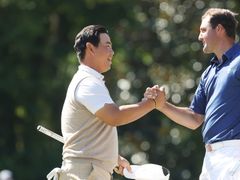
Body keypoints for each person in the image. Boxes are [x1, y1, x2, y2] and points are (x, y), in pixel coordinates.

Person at [145, 8, 240, 180]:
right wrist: (162, 105)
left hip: (235, 153)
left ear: (220, 29)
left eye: (203, 30)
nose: (199, 37)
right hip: (210, 158)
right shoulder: (209, 72)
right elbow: (194, 119)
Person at [47, 25, 164, 180]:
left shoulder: (90, 81)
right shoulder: (87, 82)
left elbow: (92, 132)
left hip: (89, 171)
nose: (112, 52)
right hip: (84, 173)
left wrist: (111, 157)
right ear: (90, 48)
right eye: (107, 46)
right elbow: (114, 116)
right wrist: (151, 104)